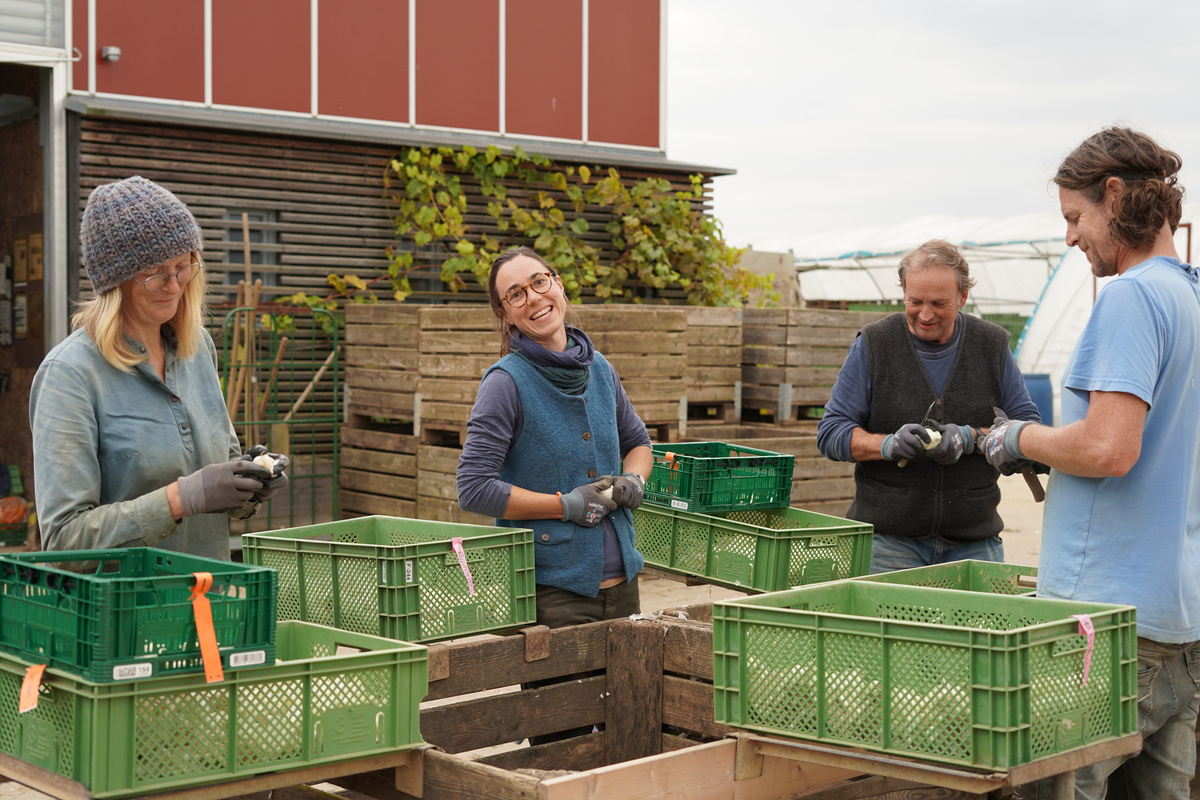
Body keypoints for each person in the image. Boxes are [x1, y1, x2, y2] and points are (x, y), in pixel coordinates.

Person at [985, 128, 1200, 800]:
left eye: (1075, 219)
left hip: (1107, 627)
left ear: (1115, 196)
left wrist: (1018, 439)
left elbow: (1109, 448)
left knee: (1056, 789)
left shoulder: (1133, 297)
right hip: (1179, 622)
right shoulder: (1190, 296)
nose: (1072, 239)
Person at [30, 176, 288, 560]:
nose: (173, 285)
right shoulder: (70, 375)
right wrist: (180, 498)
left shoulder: (196, 348)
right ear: (114, 281)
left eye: (183, 266)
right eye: (155, 273)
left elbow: (215, 480)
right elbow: (66, 541)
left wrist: (248, 482)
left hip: (207, 601)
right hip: (122, 613)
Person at [456, 246, 653, 629]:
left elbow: (638, 443)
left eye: (539, 282)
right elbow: (474, 488)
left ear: (557, 284)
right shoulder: (505, 383)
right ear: (504, 312)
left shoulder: (599, 369)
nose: (533, 297)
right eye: (516, 294)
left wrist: (634, 479)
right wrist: (566, 506)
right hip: (551, 596)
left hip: (625, 585)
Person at [817, 239, 1041, 572]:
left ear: (963, 297)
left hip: (974, 543)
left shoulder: (990, 345)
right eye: (914, 301)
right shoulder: (874, 344)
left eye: (939, 303)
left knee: (977, 626)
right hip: (887, 544)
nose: (925, 314)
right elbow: (831, 432)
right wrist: (888, 444)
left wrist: (971, 439)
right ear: (903, 292)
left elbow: (1028, 432)